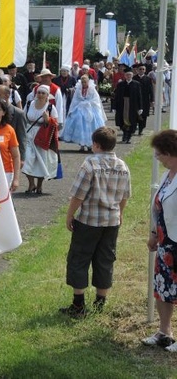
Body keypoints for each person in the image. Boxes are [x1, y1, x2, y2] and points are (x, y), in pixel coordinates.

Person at [61, 127, 130, 317]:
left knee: (79, 258)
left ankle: (78, 305)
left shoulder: (90, 164)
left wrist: (70, 215)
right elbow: (125, 195)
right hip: (111, 221)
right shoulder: (123, 166)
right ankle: (100, 303)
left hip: (89, 220)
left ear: (96, 145)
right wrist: (120, 213)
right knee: (105, 260)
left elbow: (78, 194)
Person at [143, 130, 177, 350]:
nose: (157, 157)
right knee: (163, 287)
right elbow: (159, 206)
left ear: (171, 152)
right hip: (166, 244)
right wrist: (154, 234)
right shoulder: (168, 175)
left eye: (160, 154)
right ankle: (165, 332)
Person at [22, 85, 59, 194]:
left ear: (47, 95)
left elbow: (56, 123)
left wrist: (48, 120)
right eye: (39, 92)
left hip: (43, 135)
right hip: (29, 134)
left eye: (43, 93)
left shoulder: (51, 107)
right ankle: (31, 183)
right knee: (27, 159)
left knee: (41, 161)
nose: (40, 95)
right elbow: (24, 117)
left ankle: (39, 186)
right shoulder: (29, 104)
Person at [60, 75, 107, 152]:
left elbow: (96, 100)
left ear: (88, 82)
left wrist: (87, 103)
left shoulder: (92, 89)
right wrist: (73, 110)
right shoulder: (78, 90)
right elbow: (75, 100)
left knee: (91, 126)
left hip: (90, 109)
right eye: (82, 82)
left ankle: (89, 145)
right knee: (79, 123)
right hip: (80, 108)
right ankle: (82, 145)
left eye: (85, 82)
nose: (84, 83)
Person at [0, 99, 20, 192]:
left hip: (5, 171)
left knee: (2, 204)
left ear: (3, 113)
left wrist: (16, 179)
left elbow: (16, 156)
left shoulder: (9, 130)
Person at [0, 85, 27, 164]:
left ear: (7, 95)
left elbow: (22, 137)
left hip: (10, 155)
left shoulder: (18, 113)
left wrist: (22, 158)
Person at [114, 66, 143, 143]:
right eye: (127, 75)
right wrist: (114, 106)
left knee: (132, 121)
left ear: (132, 75)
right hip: (122, 105)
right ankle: (124, 135)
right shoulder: (120, 84)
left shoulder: (136, 84)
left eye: (130, 75)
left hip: (132, 105)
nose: (128, 76)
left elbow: (139, 96)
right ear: (125, 75)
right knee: (122, 121)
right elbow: (116, 96)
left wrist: (140, 107)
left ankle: (128, 137)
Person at [133, 63, 154, 135]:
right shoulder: (134, 78)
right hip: (136, 99)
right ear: (137, 70)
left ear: (145, 70)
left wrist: (152, 100)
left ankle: (141, 129)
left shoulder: (148, 79)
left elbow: (151, 90)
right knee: (136, 114)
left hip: (145, 99)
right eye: (140, 69)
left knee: (144, 115)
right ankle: (135, 126)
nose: (141, 70)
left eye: (143, 69)